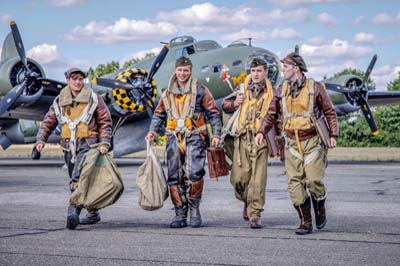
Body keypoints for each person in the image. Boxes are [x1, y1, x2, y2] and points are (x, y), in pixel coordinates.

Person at [255, 52, 338, 234]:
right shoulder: (280, 91)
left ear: (296, 69)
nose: (283, 70)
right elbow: (270, 114)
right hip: (291, 143)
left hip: (312, 142)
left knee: (314, 180)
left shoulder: (315, 88)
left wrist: (333, 134)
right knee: (294, 185)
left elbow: (330, 112)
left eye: (285, 67)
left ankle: (320, 204)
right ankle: (305, 222)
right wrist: (261, 131)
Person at [145, 56, 221, 228]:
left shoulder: (200, 90)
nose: (182, 73)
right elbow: (158, 114)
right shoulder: (167, 93)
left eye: (186, 70)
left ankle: (194, 208)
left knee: (194, 173)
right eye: (180, 70)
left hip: (195, 136)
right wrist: (152, 132)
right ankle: (180, 212)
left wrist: (216, 134)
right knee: (174, 176)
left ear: (190, 71)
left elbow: (213, 113)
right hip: (173, 138)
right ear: (175, 71)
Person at [36, 68, 112, 230]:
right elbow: (49, 120)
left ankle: (73, 213)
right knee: (80, 180)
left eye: (80, 79)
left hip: (89, 146)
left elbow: (105, 121)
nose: (78, 82)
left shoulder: (94, 99)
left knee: (77, 180)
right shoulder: (59, 100)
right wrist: (41, 139)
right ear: (68, 80)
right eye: (74, 78)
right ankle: (93, 213)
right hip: (68, 147)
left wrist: (104, 142)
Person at [221, 58, 274, 229]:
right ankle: (246, 200)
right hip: (242, 138)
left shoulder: (273, 92)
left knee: (258, 180)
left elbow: (278, 114)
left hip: (261, 140)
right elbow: (224, 104)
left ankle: (255, 214)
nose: (256, 74)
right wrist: (235, 103)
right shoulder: (242, 88)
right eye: (253, 71)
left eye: (259, 71)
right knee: (238, 179)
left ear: (265, 72)